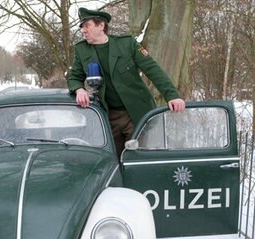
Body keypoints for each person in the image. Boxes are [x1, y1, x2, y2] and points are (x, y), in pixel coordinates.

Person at [67, 8, 186, 157]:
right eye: (81, 27)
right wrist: (79, 90)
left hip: (136, 112)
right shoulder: (82, 50)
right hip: (108, 116)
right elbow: (73, 77)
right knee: (113, 160)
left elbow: (153, 70)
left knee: (138, 158)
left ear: (101, 25)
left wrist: (172, 95)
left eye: (87, 25)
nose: (83, 30)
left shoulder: (127, 44)